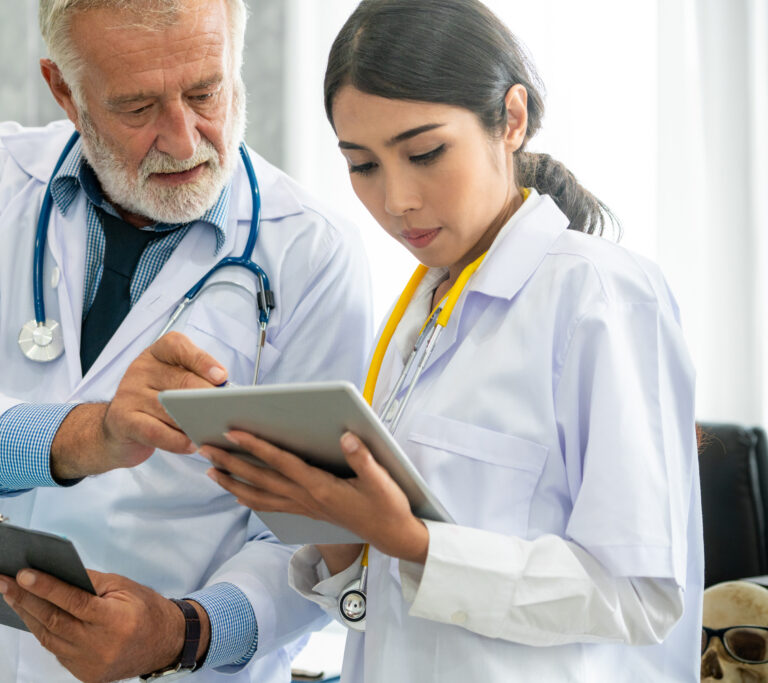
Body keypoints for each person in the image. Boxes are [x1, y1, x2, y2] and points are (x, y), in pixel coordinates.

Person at [0, 0, 374, 680]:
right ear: (64, 91)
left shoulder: (312, 255)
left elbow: (319, 542)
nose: (184, 137)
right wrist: (87, 436)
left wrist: (180, 631)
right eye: (137, 107)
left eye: (206, 92)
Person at [200, 0, 704, 680]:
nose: (397, 199)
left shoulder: (601, 295)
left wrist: (410, 541)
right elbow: (396, 608)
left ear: (512, 119)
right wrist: (331, 523)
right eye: (363, 165)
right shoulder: (417, 318)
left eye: (425, 152)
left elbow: (642, 595)